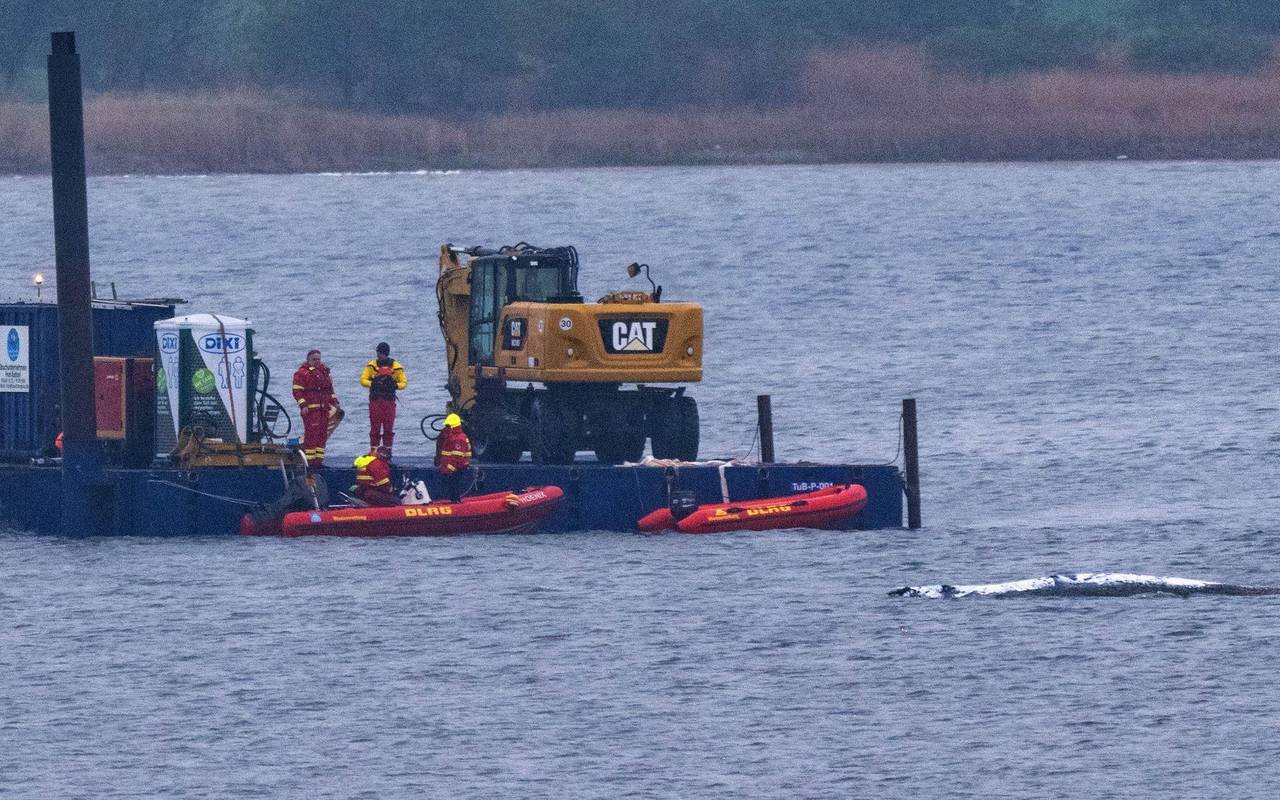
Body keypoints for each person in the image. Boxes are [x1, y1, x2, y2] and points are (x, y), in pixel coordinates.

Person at [292, 349, 339, 469]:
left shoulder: (324, 372)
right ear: (308, 360)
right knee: (311, 436)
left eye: (319, 359)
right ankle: (309, 463)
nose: (317, 361)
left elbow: (330, 390)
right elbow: (297, 391)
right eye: (314, 359)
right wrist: (303, 405)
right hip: (311, 410)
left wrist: (335, 402)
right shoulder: (302, 373)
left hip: (323, 409)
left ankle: (318, 461)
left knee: (322, 435)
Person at [360, 342, 407, 458]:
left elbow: (404, 383)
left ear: (385, 353)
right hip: (375, 400)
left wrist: (395, 386)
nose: (378, 355)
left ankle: (387, 454)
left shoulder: (396, 367)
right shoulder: (371, 365)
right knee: (375, 428)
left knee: (388, 428)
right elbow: (363, 380)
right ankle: (374, 453)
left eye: (380, 353)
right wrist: (373, 384)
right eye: (378, 353)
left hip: (389, 401)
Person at [434, 412, 472, 503]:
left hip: (456, 468)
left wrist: (449, 469)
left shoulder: (458, 438)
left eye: (447, 426)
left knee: (454, 485)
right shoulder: (453, 436)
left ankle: (456, 502)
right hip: (452, 467)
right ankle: (454, 501)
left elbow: (457, 457)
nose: (445, 428)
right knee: (452, 486)